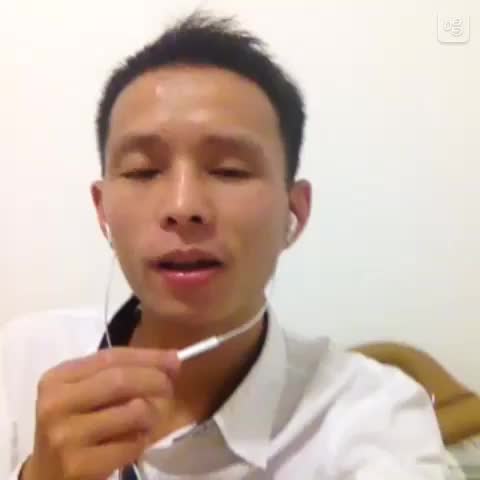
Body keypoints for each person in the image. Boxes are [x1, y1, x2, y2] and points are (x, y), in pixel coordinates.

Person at [0, 12, 447, 480]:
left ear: (294, 213)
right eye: (143, 171)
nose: (183, 206)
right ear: (102, 211)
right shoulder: (24, 360)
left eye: (229, 170)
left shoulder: (374, 416)